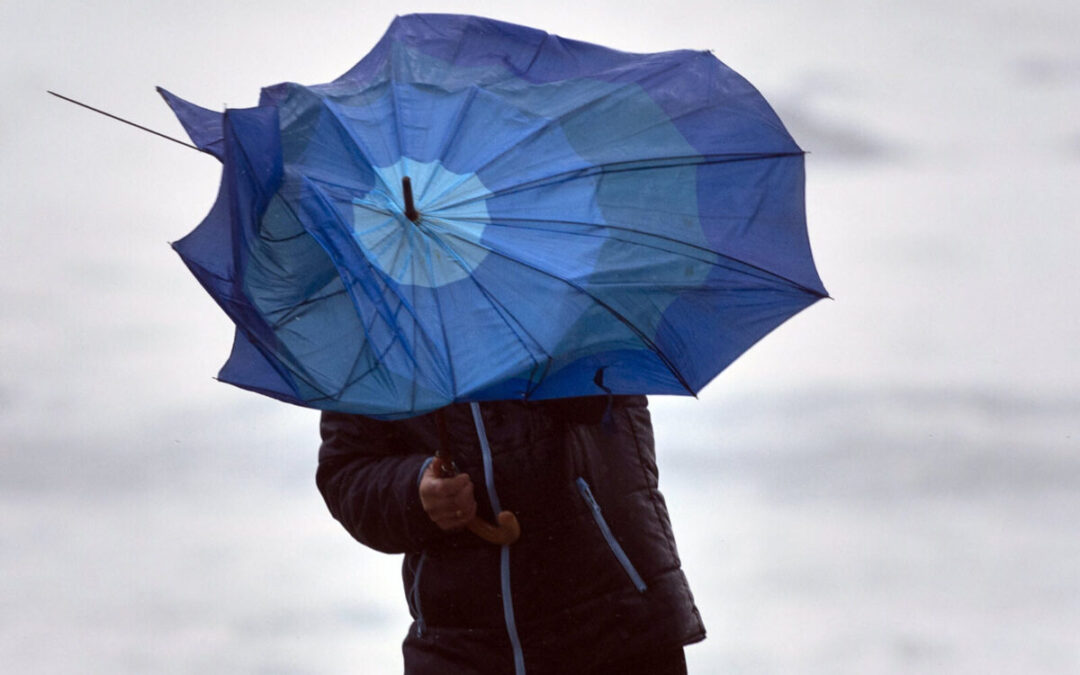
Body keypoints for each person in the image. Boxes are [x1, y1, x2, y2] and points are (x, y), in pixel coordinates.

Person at [316, 394, 705, 674]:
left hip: (617, 625)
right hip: (459, 647)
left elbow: (602, 400)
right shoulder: (376, 322)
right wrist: (416, 492)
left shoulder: (563, 288)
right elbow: (346, 471)